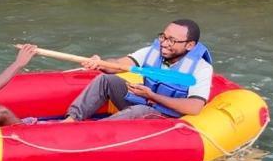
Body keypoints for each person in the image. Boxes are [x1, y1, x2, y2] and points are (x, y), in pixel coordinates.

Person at [64, 19, 213, 122]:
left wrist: (153, 96)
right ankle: (71, 120)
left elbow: (194, 107)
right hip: (145, 100)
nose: (164, 43)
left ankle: (92, 133)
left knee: (139, 110)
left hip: (167, 115)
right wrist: (100, 63)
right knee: (106, 80)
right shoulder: (152, 52)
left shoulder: (201, 69)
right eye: (164, 37)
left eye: (172, 40)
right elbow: (117, 64)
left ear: (190, 45)